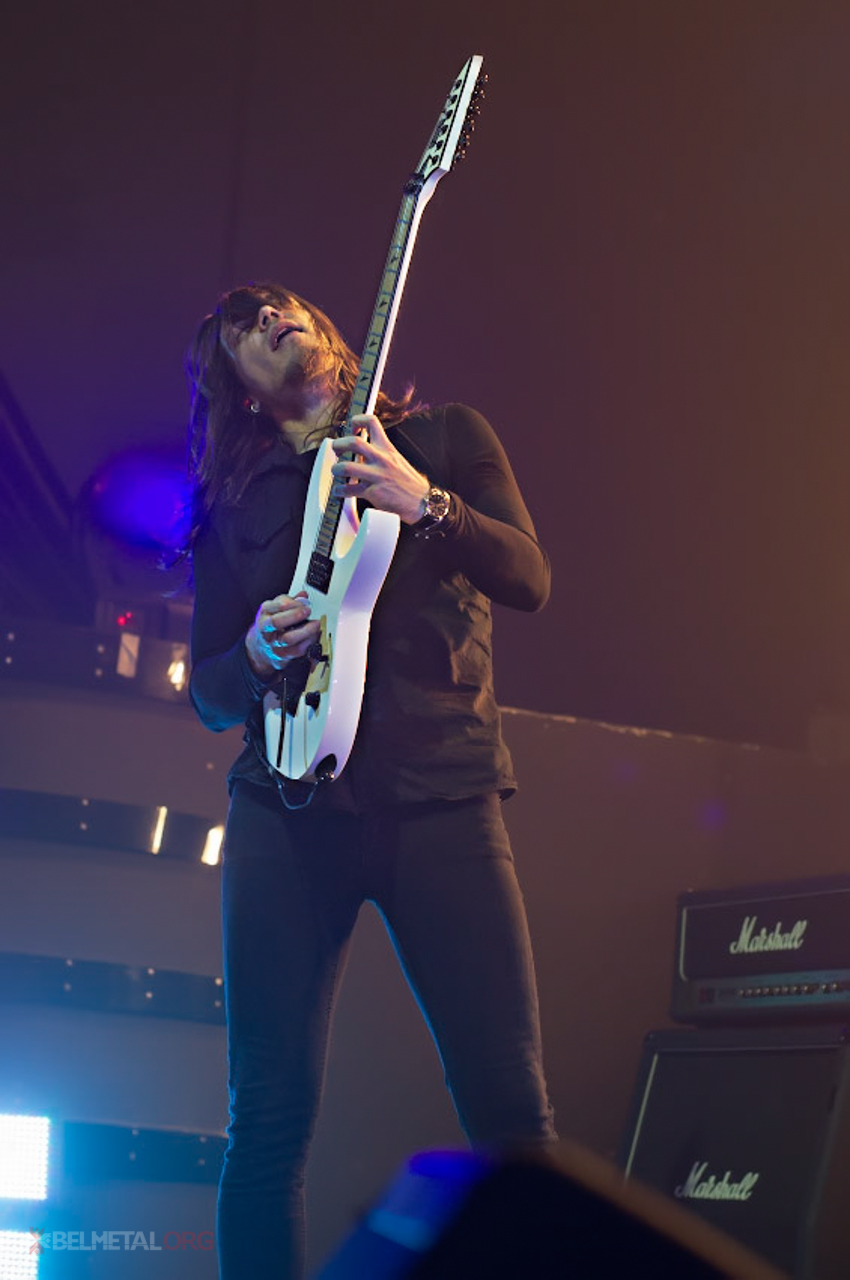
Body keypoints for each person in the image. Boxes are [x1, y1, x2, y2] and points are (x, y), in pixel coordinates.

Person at [186, 282, 557, 1279]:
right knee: (266, 1120)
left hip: (442, 798)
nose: (270, 318)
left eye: (280, 305)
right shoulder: (234, 501)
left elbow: (530, 577)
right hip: (285, 811)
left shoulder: (442, 437)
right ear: (241, 387)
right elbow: (210, 694)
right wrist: (253, 653)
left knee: (509, 1109)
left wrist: (426, 502)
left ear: (324, 327)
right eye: (243, 326)